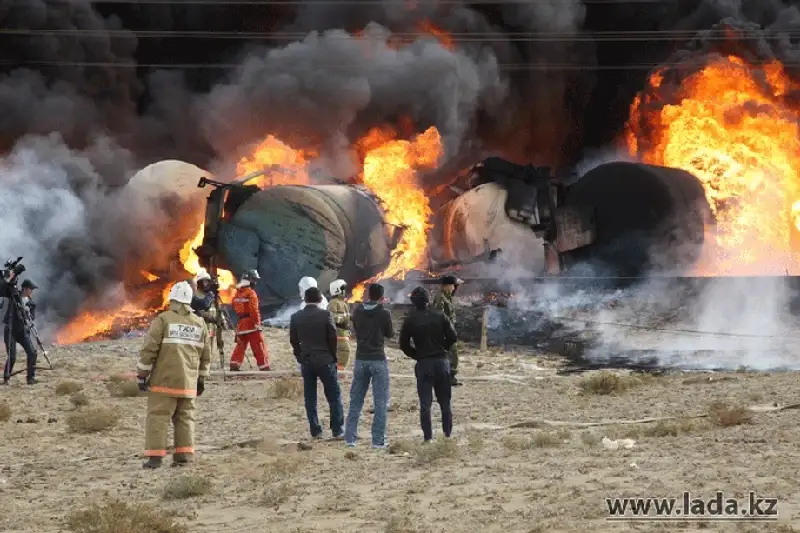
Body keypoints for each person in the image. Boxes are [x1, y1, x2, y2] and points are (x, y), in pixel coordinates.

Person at [137, 281, 212, 469]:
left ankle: (155, 458)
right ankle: (183, 457)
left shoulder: (163, 320)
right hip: (188, 383)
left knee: (158, 416)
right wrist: (201, 379)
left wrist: (142, 375)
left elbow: (149, 350)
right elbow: (206, 355)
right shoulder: (200, 323)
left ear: (173, 299)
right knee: (185, 418)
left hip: (164, 382)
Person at [399, 286, 457, 443]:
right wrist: (443, 349)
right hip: (442, 363)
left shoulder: (410, 320)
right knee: (445, 402)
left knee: (425, 404)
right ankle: (447, 436)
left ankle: (428, 438)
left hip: (424, 364)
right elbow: (453, 336)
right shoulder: (440, 315)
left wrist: (417, 355)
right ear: (427, 299)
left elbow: (403, 344)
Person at [289, 286, 344, 439]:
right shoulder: (325, 315)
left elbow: (293, 340)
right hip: (325, 360)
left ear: (305, 299)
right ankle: (337, 430)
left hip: (307, 361)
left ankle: (315, 430)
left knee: (310, 397)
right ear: (320, 299)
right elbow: (332, 337)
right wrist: (332, 356)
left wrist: (300, 356)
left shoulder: (296, 317)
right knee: (334, 396)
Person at [345, 283, 394, 449]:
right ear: (382, 297)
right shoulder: (384, 313)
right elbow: (390, 334)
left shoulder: (357, 311)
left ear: (367, 295)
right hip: (378, 358)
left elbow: (356, 329)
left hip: (361, 358)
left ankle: (350, 438)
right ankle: (377, 441)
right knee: (380, 402)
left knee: (356, 400)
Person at [229, 269, 270, 371]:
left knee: (240, 346)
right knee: (258, 345)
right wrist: (257, 323)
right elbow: (254, 310)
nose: (255, 282)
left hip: (241, 324)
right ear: (250, 280)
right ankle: (264, 366)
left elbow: (234, 305)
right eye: (254, 280)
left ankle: (234, 364)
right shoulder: (251, 293)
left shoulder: (237, 293)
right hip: (251, 324)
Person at [2, 278, 40, 385]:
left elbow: (32, 317)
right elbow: (9, 288)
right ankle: (6, 378)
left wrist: (28, 312)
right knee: (12, 356)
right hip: (10, 329)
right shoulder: (14, 296)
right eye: (30, 289)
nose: (31, 291)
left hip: (22, 330)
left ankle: (30, 378)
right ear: (24, 289)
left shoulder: (31, 303)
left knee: (32, 353)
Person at [432, 275, 463, 386]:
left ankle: (449, 376)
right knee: (451, 353)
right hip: (444, 331)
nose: (454, 288)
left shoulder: (446, 296)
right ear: (447, 286)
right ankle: (447, 377)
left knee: (450, 354)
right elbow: (437, 315)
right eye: (452, 286)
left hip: (448, 330)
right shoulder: (440, 297)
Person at [327, 279, 352, 371]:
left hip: (343, 334)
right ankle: (337, 372)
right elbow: (331, 317)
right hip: (338, 334)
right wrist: (345, 318)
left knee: (344, 353)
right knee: (344, 353)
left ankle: (338, 371)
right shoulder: (334, 303)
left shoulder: (342, 302)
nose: (345, 290)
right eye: (343, 288)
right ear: (337, 290)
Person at [190, 269, 218, 338]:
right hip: (200, 328)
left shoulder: (211, 296)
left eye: (208, 281)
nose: (207, 283)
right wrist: (208, 318)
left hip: (211, 328)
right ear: (199, 283)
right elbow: (198, 311)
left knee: (212, 343)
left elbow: (216, 311)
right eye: (205, 281)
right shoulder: (196, 295)